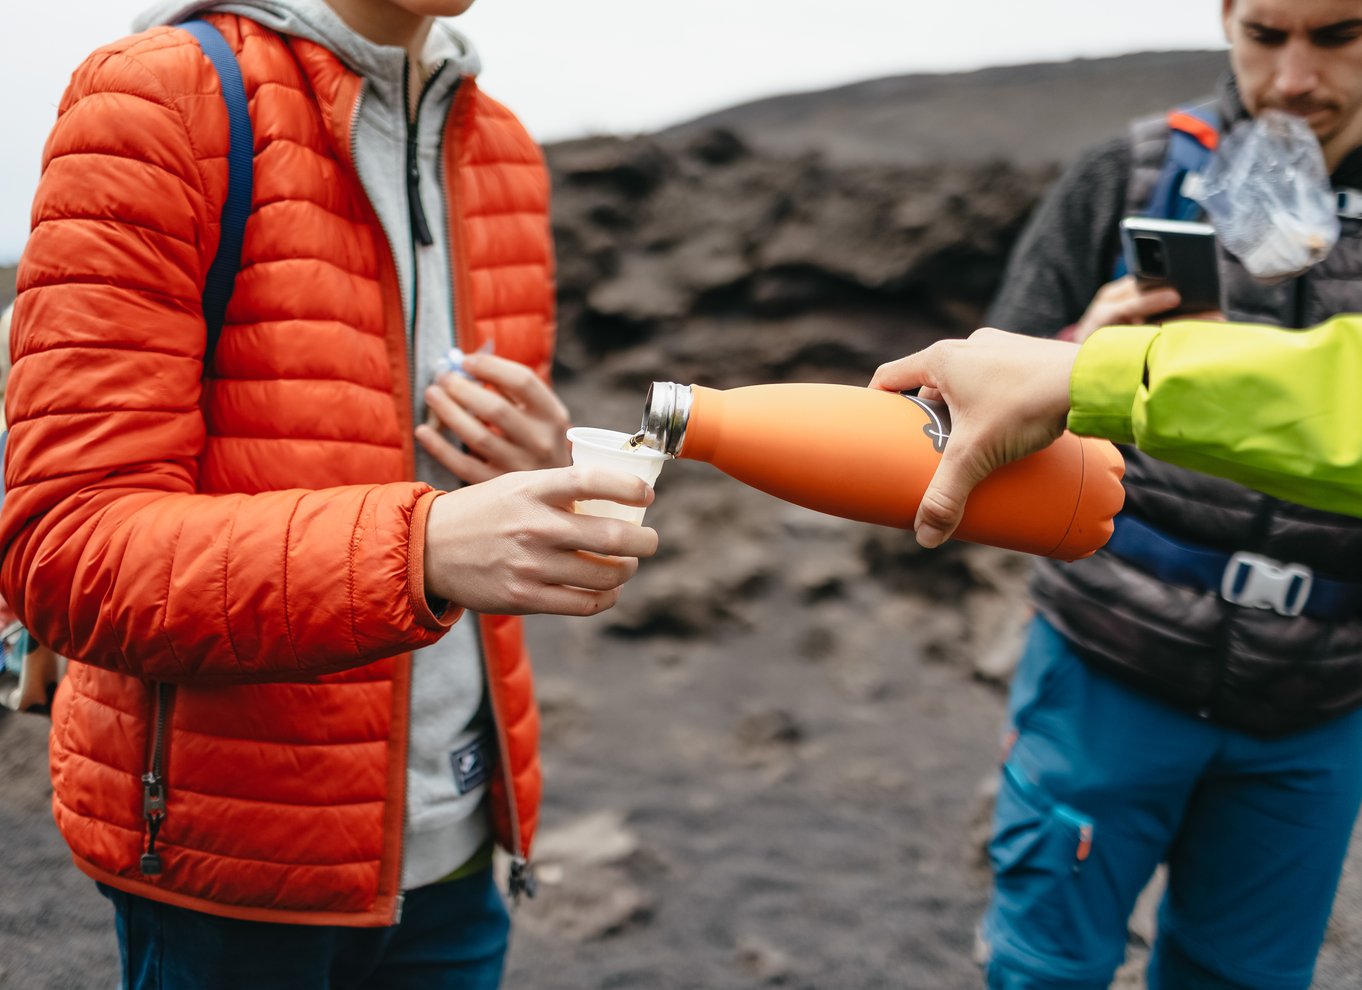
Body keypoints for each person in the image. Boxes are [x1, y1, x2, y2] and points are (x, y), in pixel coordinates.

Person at [0, 1, 658, 987]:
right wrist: (424, 547)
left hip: (463, 841)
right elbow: (67, 553)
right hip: (234, 874)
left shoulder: (504, 148)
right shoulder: (157, 99)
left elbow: (365, 444)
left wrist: (527, 466)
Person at [887, 2, 1362, 987]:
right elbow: (955, 406)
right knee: (1046, 970)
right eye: (1266, 36)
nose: (1294, 81)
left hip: (1322, 696)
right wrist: (1074, 357)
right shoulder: (1132, 171)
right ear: (1226, 16)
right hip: (1108, 660)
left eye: (1341, 36)